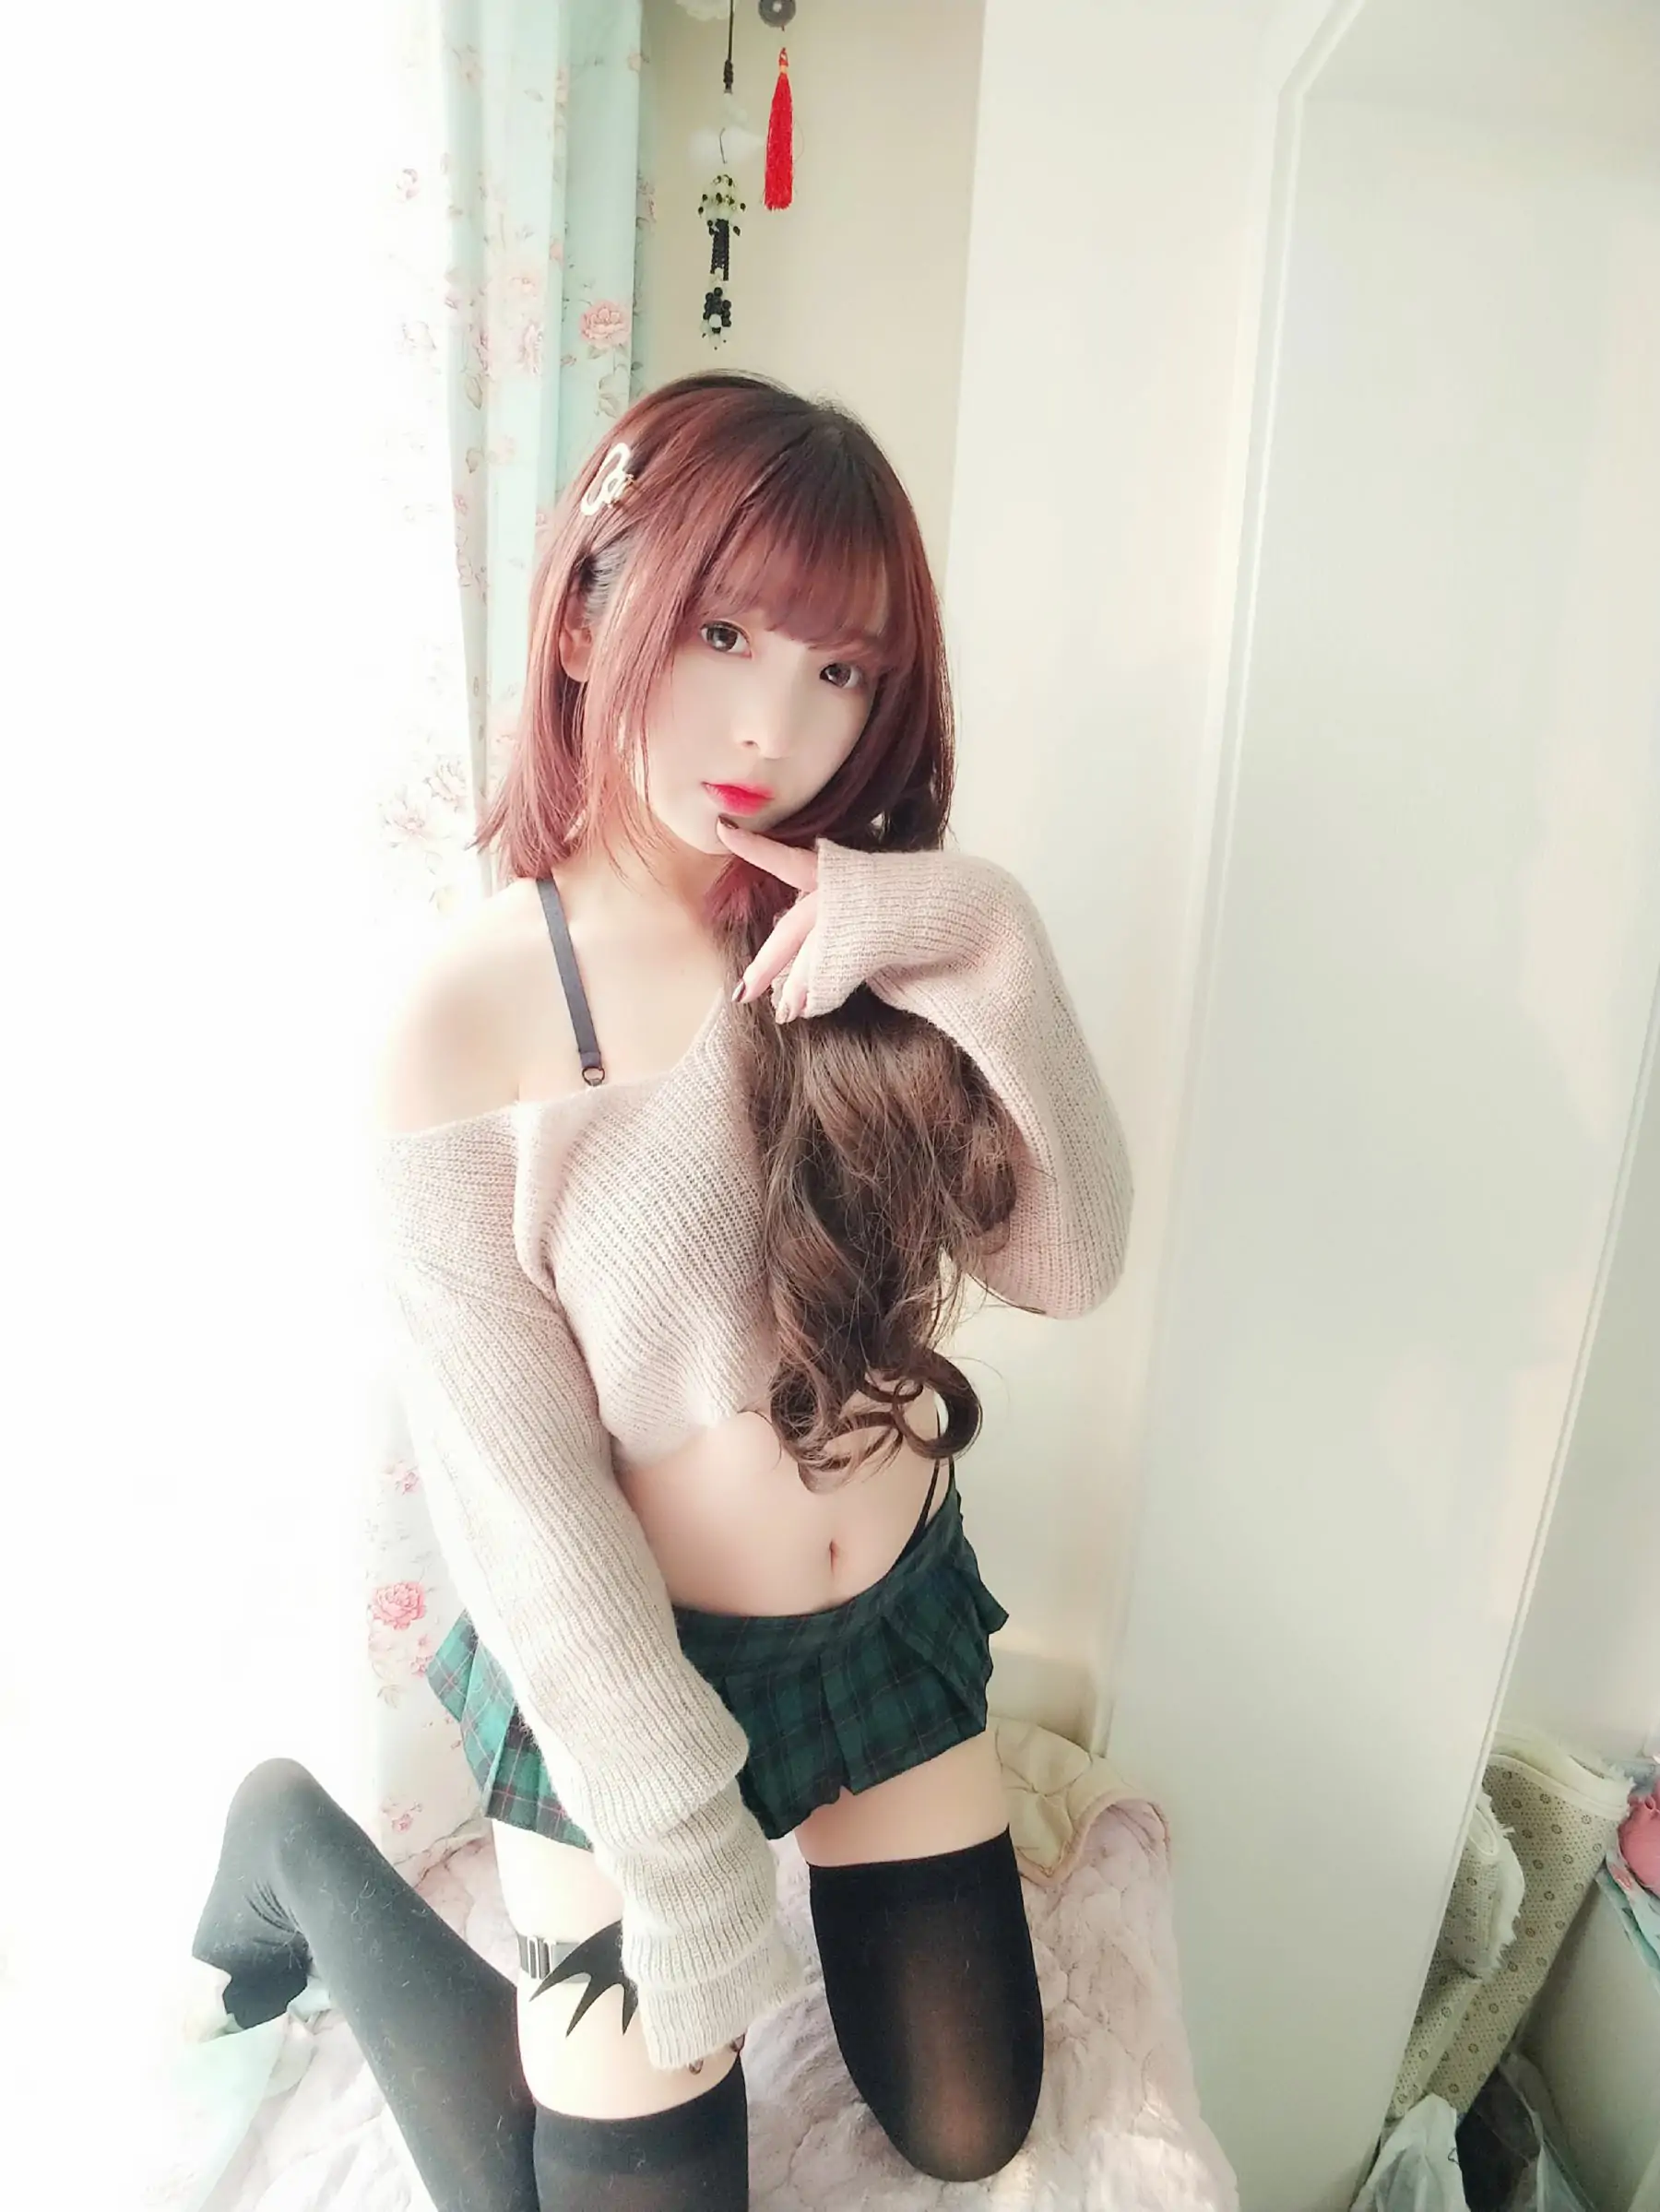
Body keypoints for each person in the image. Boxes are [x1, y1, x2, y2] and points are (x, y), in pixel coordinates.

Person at [189, 371, 1134, 2209]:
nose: (775, 723)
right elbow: (527, 1504)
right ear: (589, 615)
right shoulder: (463, 1015)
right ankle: (296, 1845)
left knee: (973, 2119)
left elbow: (1069, 1258)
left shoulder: (869, 932)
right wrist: (688, 1857)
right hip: (631, 1673)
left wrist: (989, 937)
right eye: (722, 633)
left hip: (889, 1628)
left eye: (840, 668)